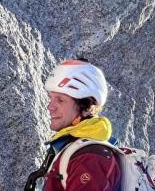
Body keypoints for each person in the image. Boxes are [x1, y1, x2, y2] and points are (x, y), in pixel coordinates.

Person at [25, 59, 121, 191]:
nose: (50, 107)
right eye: (51, 98)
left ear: (86, 108)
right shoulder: (74, 149)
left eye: (60, 100)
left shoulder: (90, 159)